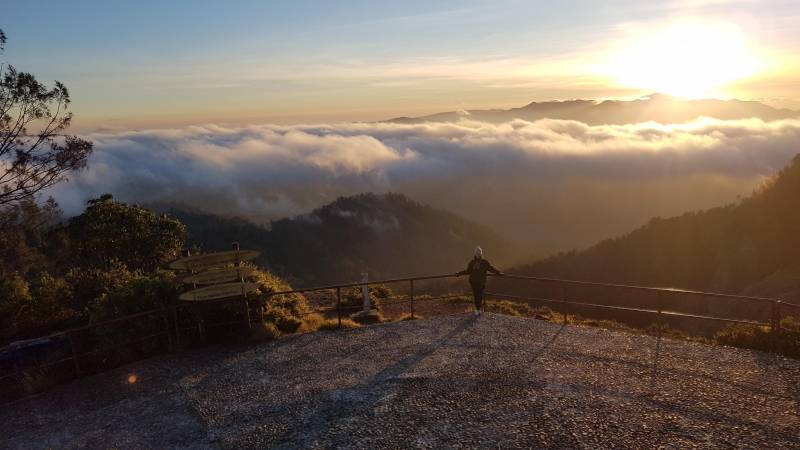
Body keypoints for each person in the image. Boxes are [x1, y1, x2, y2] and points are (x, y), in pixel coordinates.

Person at [455, 246, 503, 315]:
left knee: (477, 295)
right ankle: (478, 309)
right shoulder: (484, 262)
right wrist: (498, 272)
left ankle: (477, 309)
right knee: (479, 296)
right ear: (481, 254)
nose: (478, 255)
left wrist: (459, 273)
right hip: (480, 282)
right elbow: (491, 268)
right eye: (478, 253)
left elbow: (468, 271)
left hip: (474, 282)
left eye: (478, 253)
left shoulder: (472, 262)